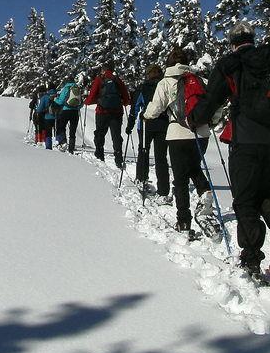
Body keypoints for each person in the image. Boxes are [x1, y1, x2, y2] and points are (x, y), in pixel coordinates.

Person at [188, 20, 270, 282]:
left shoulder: (231, 64)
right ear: (253, 37)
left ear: (233, 42)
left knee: (245, 201)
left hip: (245, 141)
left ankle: (250, 258)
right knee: (267, 194)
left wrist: (195, 119)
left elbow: (212, 99)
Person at [143, 47, 215, 238]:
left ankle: (184, 221)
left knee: (180, 179)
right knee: (193, 167)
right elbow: (215, 105)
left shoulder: (166, 82)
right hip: (201, 134)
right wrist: (211, 122)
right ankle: (205, 190)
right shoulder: (200, 80)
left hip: (177, 134)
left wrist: (146, 115)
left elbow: (156, 108)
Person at [127, 65, 171, 203]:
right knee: (161, 157)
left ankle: (141, 179)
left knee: (143, 151)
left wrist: (130, 124)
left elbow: (135, 107)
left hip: (146, 124)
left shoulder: (143, 87)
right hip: (163, 124)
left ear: (148, 74)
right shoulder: (165, 86)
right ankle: (163, 191)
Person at [84, 61, 131, 168]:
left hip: (102, 112)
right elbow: (126, 99)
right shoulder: (117, 80)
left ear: (103, 69)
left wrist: (87, 102)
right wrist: (122, 102)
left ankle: (100, 156)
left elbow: (91, 96)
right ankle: (118, 159)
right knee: (116, 136)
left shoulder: (99, 79)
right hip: (117, 112)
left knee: (100, 134)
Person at [53, 77, 83, 153]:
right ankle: (71, 148)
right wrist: (77, 107)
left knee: (62, 127)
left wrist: (55, 99)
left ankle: (63, 142)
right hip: (75, 112)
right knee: (73, 131)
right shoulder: (77, 88)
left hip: (65, 111)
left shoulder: (66, 88)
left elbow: (60, 101)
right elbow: (81, 103)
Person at [34, 84, 59, 149]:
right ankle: (60, 143)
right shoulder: (57, 96)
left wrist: (37, 111)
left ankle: (48, 147)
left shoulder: (45, 97)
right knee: (58, 131)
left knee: (48, 133)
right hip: (56, 117)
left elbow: (39, 109)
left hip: (47, 117)